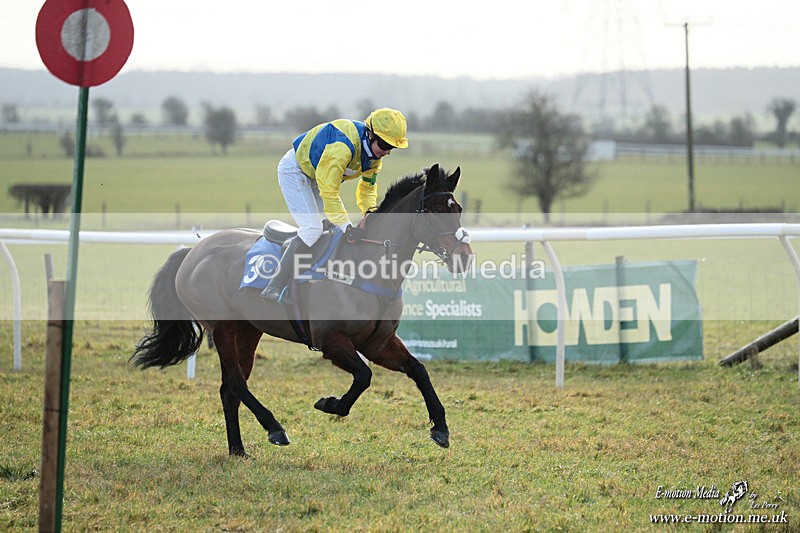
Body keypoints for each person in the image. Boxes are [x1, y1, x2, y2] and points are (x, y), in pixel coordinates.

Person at [261, 107, 408, 302]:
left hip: (316, 176)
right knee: (313, 228)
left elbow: (367, 190)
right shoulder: (342, 148)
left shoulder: (374, 160)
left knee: (328, 228)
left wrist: (370, 213)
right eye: (384, 144)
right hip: (295, 171)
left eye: (392, 147)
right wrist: (347, 226)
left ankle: (310, 281)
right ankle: (274, 285)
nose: (387, 151)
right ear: (370, 134)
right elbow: (329, 191)